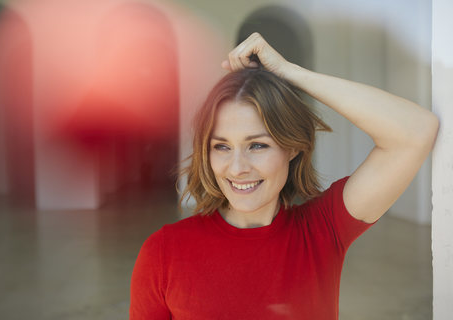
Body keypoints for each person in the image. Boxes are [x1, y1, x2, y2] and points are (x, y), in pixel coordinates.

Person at [129, 33, 439, 319]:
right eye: (222, 146)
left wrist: (290, 73)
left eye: (258, 145)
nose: (237, 168)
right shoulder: (163, 251)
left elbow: (414, 131)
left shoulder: (323, 229)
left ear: (292, 148)